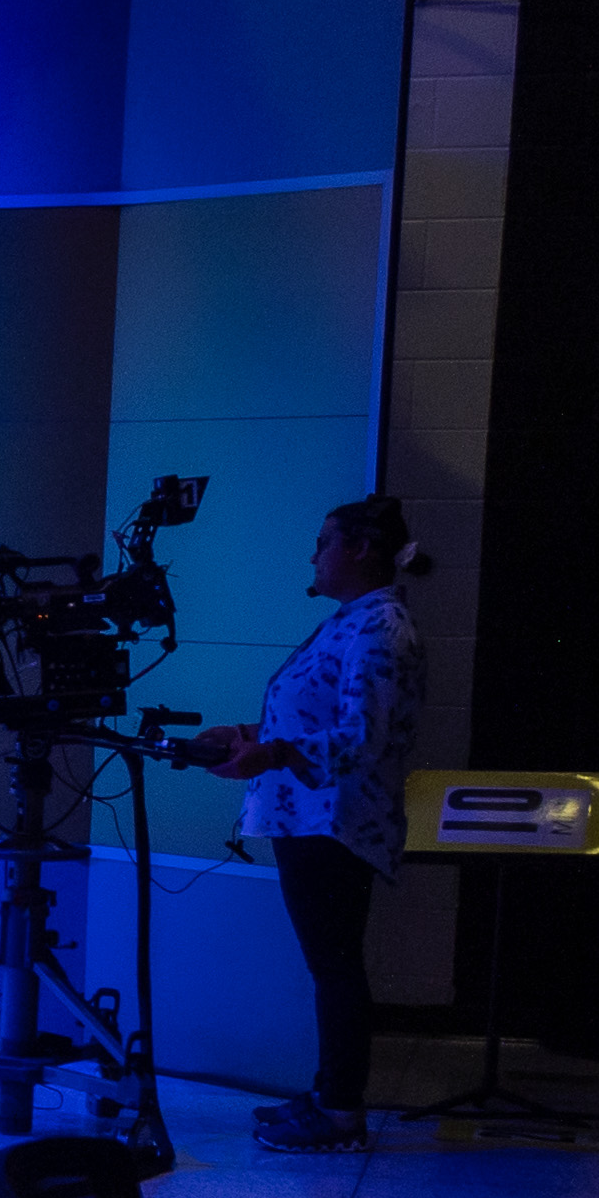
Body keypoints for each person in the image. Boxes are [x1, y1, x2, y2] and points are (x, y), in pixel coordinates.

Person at [181, 492, 431, 1156]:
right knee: (331, 966)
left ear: (359, 549)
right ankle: (327, 1095)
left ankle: (341, 1111)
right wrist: (247, 734)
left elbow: (361, 738)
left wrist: (271, 752)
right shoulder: (353, 622)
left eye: (323, 542)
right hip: (313, 819)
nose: (312, 555)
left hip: (337, 825)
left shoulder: (380, 629)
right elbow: (314, 721)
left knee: (336, 968)